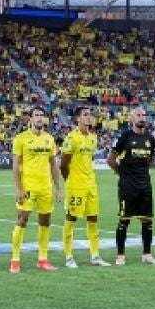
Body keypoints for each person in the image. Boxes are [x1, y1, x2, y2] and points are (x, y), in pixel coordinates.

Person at [12, 107, 63, 273]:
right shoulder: (21, 139)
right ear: (30, 119)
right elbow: (15, 166)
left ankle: (42, 259)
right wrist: (19, 188)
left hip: (45, 187)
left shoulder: (49, 139)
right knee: (22, 219)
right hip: (28, 186)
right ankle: (15, 259)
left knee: (45, 221)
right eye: (36, 115)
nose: (40, 118)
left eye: (42, 115)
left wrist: (58, 188)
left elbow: (53, 165)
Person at [107, 106, 155, 266]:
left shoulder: (151, 139)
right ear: (132, 119)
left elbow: (152, 159)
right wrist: (123, 174)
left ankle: (147, 254)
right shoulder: (125, 137)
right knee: (124, 221)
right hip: (127, 187)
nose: (142, 118)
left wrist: (141, 171)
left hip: (145, 186)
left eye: (144, 115)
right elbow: (111, 160)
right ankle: (120, 255)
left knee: (147, 221)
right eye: (138, 115)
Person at [61, 106, 109, 268]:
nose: (89, 117)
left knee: (93, 219)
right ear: (78, 119)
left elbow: (89, 161)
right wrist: (70, 181)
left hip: (91, 185)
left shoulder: (93, 138)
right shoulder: (71, 138)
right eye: (85, 115)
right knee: (71, 218)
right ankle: (69, 256)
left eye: (90, 115)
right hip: (76, 185)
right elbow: (63, 164)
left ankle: (95, 255)